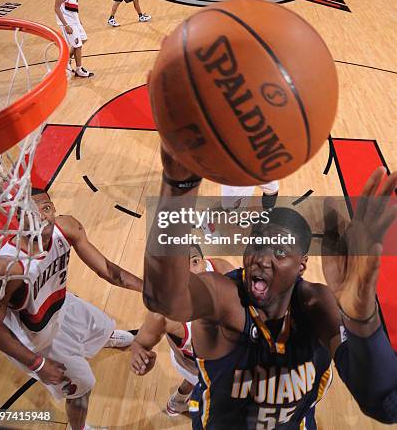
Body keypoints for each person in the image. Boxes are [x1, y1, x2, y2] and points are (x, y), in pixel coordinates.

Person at [143, 147, 397, 429]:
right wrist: (178, 188)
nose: (261, 258)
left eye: (278, 251)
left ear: (301, 264)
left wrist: (361, 316)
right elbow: (162, 297)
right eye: (256, 244)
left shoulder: (316, 304)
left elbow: (386, 405)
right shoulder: (224, 297)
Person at [0, 188, 143, 430]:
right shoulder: (8, 268)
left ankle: (100, 338)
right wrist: (36, 364)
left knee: (101, 325)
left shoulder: (67, 227)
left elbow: (107, 270)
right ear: (20, 219)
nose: (42, 216)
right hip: (34, 336)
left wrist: (148, 290)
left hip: (60, 303)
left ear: (54, 209)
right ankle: (78, 428)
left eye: (46, 208)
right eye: (32, 212)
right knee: (82, 386)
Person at [131, 245, 233, 417]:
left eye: (194, 261)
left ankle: (177, 402)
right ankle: (182, 402)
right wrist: (139, 356)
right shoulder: (163, 315)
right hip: (196, 369)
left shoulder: (221, 269)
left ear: (203, 260)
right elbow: (139, 343)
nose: (190, 274)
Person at [54, 0, 93, 78]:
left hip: (74, 19)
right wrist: (66, 25)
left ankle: (66, 61)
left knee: (83, 39)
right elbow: (56, 8)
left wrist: (78, 19)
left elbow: (73, 3)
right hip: (67, 21)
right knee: (78, 46)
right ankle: (79, 69)